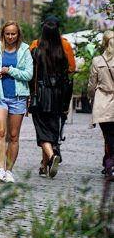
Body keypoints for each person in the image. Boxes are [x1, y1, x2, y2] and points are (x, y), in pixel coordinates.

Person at [0, 21, 33, 183]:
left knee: (13, 136)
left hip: (18, 98)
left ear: (18, 34)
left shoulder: (25, 50)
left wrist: (10, 70)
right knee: (0, 132)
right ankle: (1, 169)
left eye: (13, 34)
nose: (10, 37)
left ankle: (9, 170)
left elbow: (28, 75)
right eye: (7, 34)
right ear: (3, 34)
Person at [30, 15, 75, 161]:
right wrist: (66, 103)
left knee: (42, 130)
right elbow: (70, 73)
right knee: (53, 128)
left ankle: (51, 156)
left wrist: (29, 97)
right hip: (58, 97)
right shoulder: (63, 50)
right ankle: (46, 163)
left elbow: (31, 76)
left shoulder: (35, 48)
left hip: (40, 96)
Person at [87, 30, 114, 177]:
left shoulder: (98, 61)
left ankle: (110, 165)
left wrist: (91, 97)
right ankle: (108, 163)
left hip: (104, 102)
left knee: (108, 135)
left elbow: (92, 84)